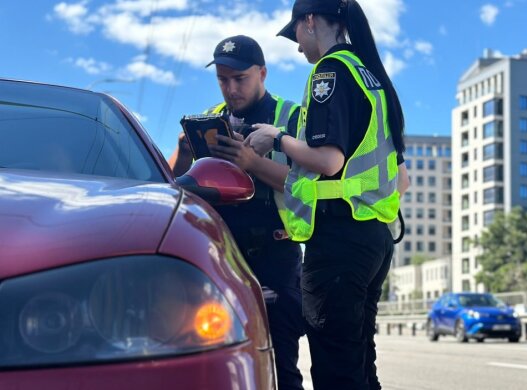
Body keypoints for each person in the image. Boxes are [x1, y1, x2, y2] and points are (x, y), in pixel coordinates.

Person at [245, 1, 409, 389]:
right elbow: (402, 179)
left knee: (338, 372)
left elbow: (329, 160)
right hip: (375, 239)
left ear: (310, 21)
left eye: (297, 35)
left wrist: (277, 137)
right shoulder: (371, 78)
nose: (298, 47)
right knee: (359, 365)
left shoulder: (330, 72)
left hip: (339, 241)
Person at [168, 35, 304, 390]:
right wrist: (184, 153)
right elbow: (172, 184)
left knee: (280, 366)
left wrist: (251, 163)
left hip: (277, 256)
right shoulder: (211, 118)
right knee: (219, 363)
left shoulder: (291, 117)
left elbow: (307, 186)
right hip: (222, 258)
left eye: (239, 79)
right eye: (222, 80)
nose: (231, 88)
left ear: (262, 73)